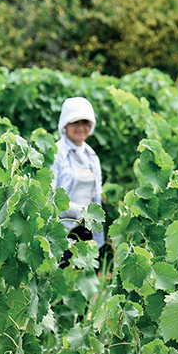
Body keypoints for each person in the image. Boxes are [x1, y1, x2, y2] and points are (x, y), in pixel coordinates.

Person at [51, 97, 105, 257]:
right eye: (75, 122)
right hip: (61, 232)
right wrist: (80, 212)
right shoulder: (55, 153)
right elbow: (51, 195)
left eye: (85, 123)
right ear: (64, 125)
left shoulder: (91, 156)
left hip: (86, 230)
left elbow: (97, 197)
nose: (81, 128)